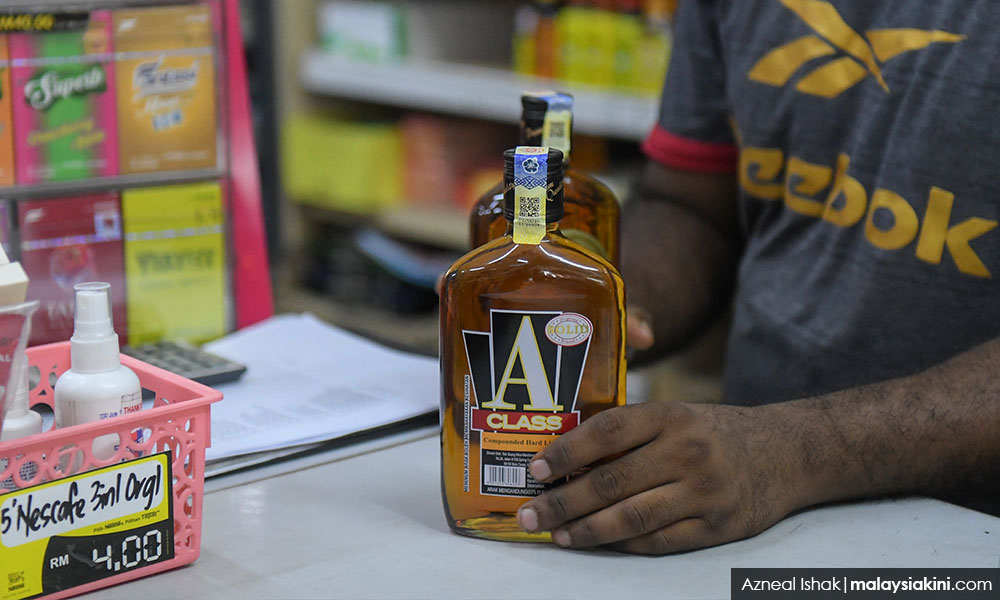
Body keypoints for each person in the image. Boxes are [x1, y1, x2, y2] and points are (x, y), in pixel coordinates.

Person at [514, 0, 1000, 554]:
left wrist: (791, 450)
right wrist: (605, 303)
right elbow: (690, 204)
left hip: (969, 533)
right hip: (745, 496)